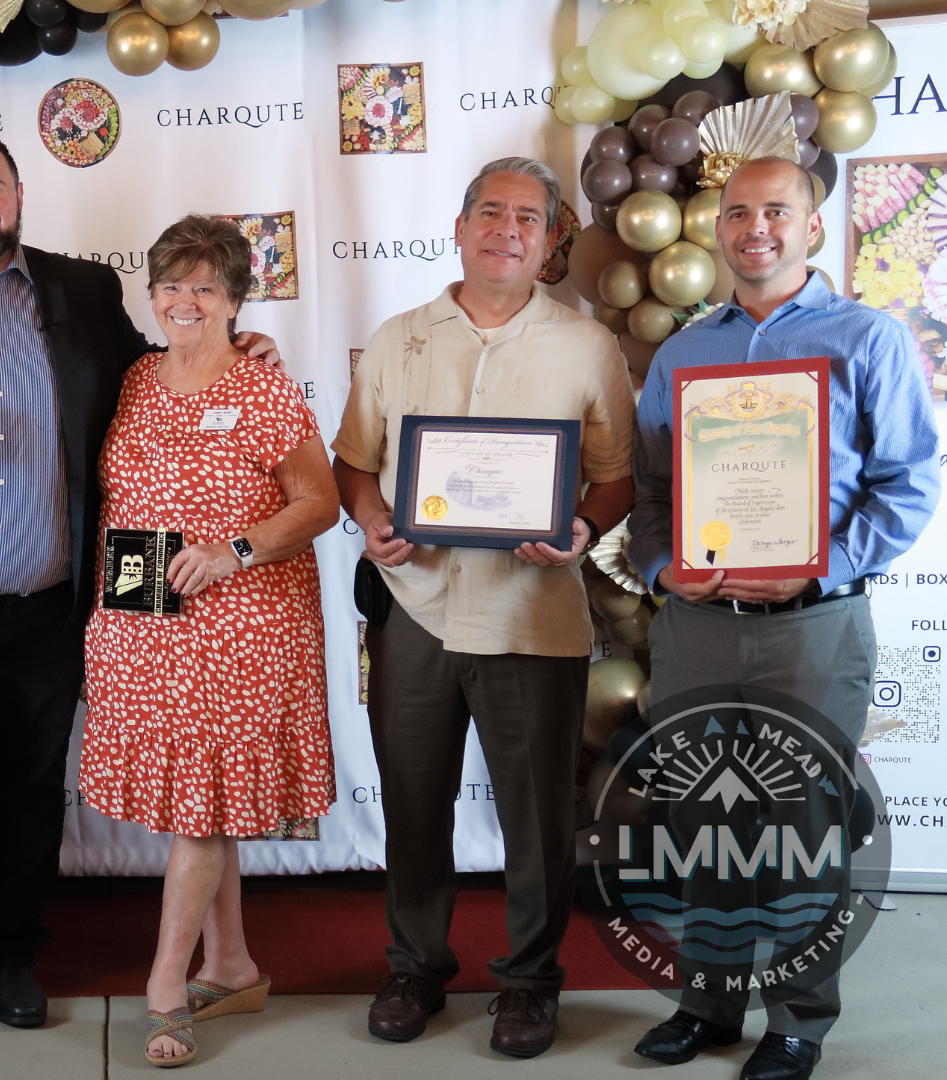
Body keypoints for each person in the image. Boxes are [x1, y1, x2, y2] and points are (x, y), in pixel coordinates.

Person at [0, 131, 281, 1034]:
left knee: (32, 786)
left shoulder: (81, 289)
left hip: (53, 602)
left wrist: (238, 349)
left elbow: (153, 382)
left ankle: (10, 955)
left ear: (21, 193)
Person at [626, 157, 939, 1080]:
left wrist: (826, 563)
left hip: (815, 628)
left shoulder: (868, 338)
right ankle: (707, 1003)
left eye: (776, 211)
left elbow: (911, 482)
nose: (753, 227)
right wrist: (658, 567)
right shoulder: (684, 352)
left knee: (804, 825)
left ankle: (799, 1018)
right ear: (716, 228)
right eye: (736, 212)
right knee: (699, 818)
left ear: (811, 227)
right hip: (697, 627)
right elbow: (649, 494)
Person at [330, 158, 636, 1058]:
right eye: (490, 212)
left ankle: (531, 983)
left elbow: (615, 482)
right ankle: (414, 966)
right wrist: (373, 517)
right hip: (415, 609)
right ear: (459, 228)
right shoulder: (398, 338)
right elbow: (354, 460)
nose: (507, 229)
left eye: (527, 219)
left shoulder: (587, 347)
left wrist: (579, 527)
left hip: (532, 618)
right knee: (413, 801)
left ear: (548, 245)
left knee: (537, 816)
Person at [77, 215, 340, 1067]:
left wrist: (231, 552)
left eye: (205, 286)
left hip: (244, 623)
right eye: (171, 284)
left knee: (202, 803)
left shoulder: (265, 387)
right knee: (204, 797)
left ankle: (165, 985)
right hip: (146, 616)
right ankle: (230, 963)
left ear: (234, 299)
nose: (185, 301)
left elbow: (319, 504)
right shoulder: (137, 381)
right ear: (150, 294)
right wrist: (111, 617)